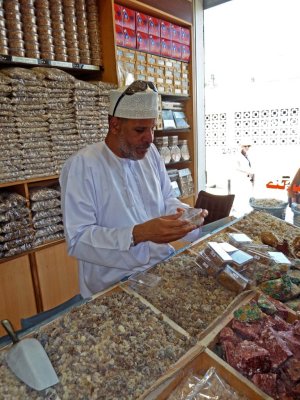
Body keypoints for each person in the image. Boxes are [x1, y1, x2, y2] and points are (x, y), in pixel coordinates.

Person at [60, 80, 208, 298]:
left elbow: (166, 199)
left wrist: (184, 217)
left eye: (152, 129)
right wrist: (138, 234)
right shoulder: (83, 165)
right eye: (140, 130)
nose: (149, 139)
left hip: (160, 266)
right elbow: (78, 240)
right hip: (112, 284)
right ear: (115, 125)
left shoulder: (151, 155)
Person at [230, 139, 255, 216]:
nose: (247, 147)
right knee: (239, 196)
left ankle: (243, 212)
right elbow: (235, 167)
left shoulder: (246, 155)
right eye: (245, 146)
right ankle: (238, 213)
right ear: (241, 147)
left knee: (245, 195)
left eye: (248, 146)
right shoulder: (237, 156)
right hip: (239, 178)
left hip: (246, 179)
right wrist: (247, 172)